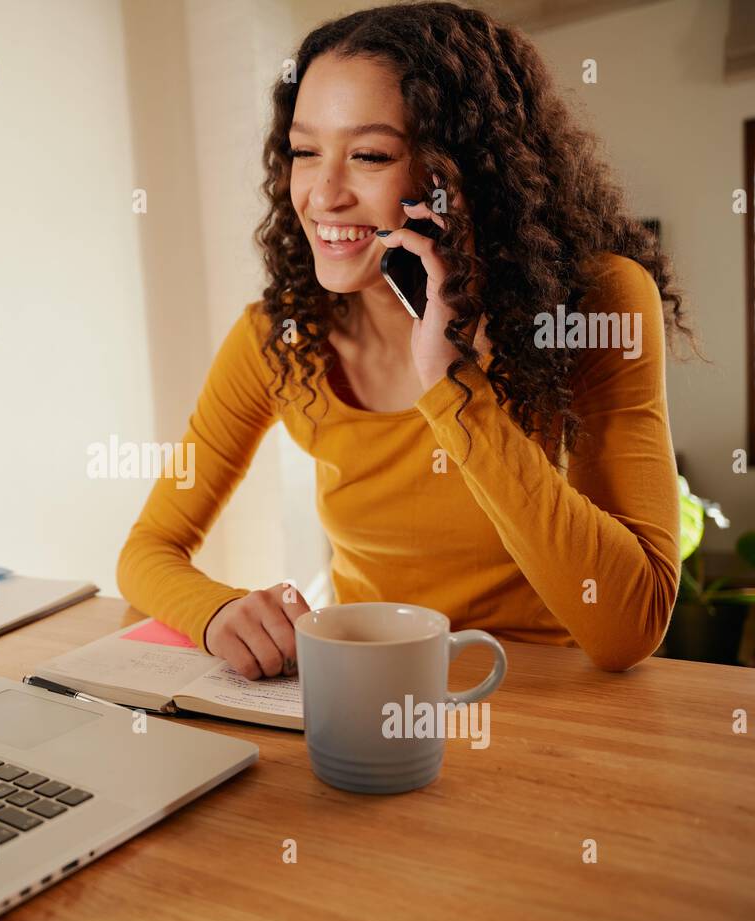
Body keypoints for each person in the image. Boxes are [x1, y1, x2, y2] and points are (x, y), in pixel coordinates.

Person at [117, 2, 695, 677]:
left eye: (369, 155)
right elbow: (148, 548)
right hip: (370, 696)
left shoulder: (599, 304)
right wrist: (215, 613)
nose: (323, 195)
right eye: (305, 152)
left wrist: (454, 389)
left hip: (549, 709)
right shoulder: (280, 338)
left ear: (461, 173)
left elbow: (627, 628)